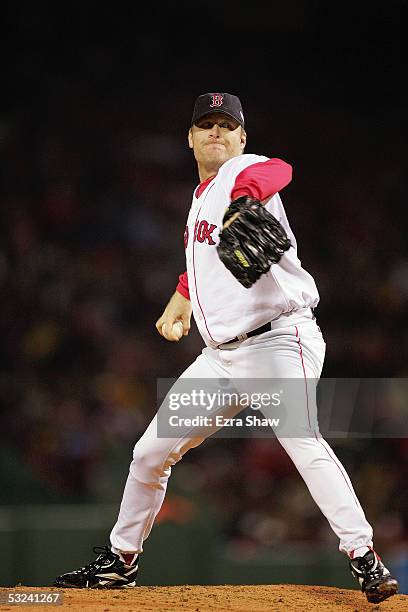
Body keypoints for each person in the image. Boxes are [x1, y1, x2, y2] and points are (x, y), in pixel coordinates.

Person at [54, 93, 398, 603]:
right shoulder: (200, 198)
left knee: (301, 438)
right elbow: (204, 261)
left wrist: (245, 197)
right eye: (205, 124)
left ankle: (364, 557)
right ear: (189, 138)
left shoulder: (246, 171)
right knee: (149, 453)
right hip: (221, 359)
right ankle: (121, 560)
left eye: (226, 125)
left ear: (240, 138)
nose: (216, 132)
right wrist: (181, 299)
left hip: (281, 340)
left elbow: (280, 169)